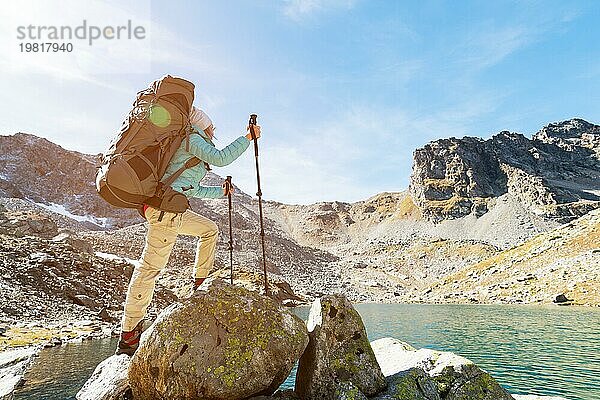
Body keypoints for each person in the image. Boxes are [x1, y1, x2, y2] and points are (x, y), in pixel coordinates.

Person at [116, 107, 261, 356]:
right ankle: (129, 332)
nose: (214, 129)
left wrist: (220, 192)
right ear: (202, 125)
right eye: (211, 125)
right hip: (165, 213)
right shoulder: (192, 139)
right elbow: (223, 158)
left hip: (173, 209)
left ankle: (200, 281)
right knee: (149, 269)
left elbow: (189, 189)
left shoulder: (189, 146)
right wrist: (247, 138)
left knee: (209, 230)